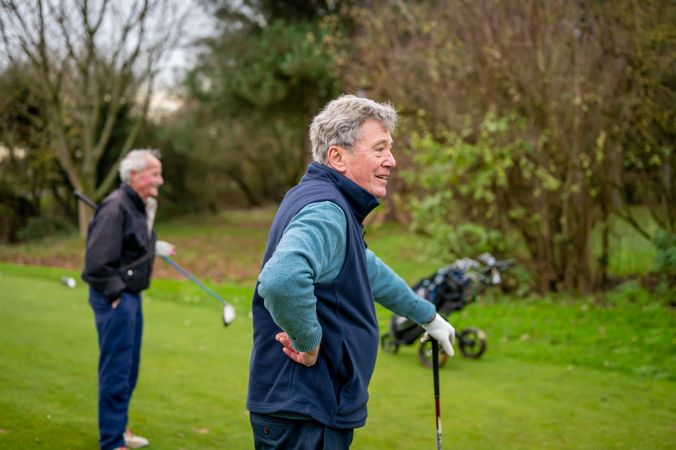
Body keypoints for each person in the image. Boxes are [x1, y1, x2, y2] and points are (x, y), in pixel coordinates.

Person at [247, 95, 456, 449]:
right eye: (379, 149)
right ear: (337, 157)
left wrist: (428, 317)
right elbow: (281, 279)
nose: (391, 160)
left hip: (304, 409)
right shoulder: (328, 210)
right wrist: (308, 343)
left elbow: (366, 269)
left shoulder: (325, 201)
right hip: (307, 412)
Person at [82, 149, 175, 450]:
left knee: (129, 369)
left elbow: (130, 244)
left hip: (130, 297)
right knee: (117, 371)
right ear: (134, 175)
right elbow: (96, 263)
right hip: (117, 298)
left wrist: (154, 246)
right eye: (154, 173)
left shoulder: (138, 205)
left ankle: (118, 428)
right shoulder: (115, 207)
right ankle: (111, 442)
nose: (159, 181)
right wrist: (114, 293)